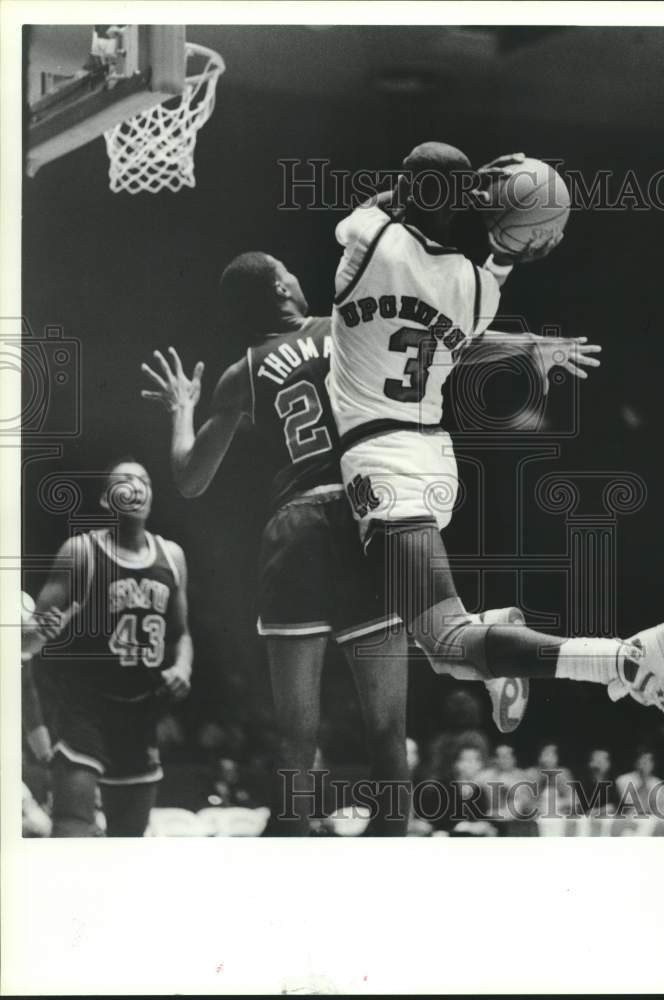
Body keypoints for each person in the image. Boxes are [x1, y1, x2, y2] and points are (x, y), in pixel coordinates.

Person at [327, 140, 664, 752]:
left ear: (407, 190)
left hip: (382, 457)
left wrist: (463, 188)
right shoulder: (477, 287)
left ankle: (629, 657)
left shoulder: (367, 240)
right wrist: (513, 281)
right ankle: (504, 633)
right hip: (429, 453)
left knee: (448, 643)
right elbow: (459, 338)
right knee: (448, 649)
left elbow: (384, 201)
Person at [141, 252, 409, 835]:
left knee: (295, 732)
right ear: (285, 285)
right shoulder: (348, 325)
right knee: (388, 726)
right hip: (367, 514)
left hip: (297, 528)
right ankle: (394, 858)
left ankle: (288, 859)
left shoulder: (241, 374)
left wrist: (182, 411)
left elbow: (189, 479)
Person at [22, 459, 193, 836]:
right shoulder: (80, 552)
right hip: (86, 711)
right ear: (105, 500)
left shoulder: (172, 557)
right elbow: (25, 645)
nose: (135, 486)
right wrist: (42, 631)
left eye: (144, 479)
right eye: (124, 480)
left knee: (127, 846)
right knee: (71, 831)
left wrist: (183, 668)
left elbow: (181, 634)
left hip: (141, 715)